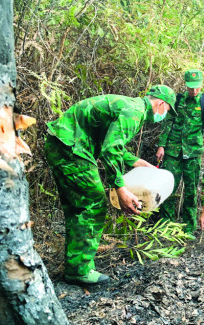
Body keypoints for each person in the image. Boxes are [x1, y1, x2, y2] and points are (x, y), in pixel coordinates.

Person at [44, 85, 176, 285]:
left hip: (61, 143)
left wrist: (138, 162)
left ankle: (75, 266)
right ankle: (79, 270)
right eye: (166, 110)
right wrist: (120, 188)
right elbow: (110, 150)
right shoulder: (135, 113)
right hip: (72, 149)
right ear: (161, 104)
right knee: (94, 204)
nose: (164, 115)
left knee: (78, 207)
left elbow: (111, 144)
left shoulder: (132, 106)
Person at [156, 69, 204, 239]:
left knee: (191, 190)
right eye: (190, 87)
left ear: (201, 84)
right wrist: (161, 146)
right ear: (185, 85)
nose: (194, 90)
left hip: (193, 153)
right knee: (168, 188)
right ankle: (165, 227)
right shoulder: (178, 100)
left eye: (196, 87)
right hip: (173, 151)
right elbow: (168, 123)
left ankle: (189, 228)